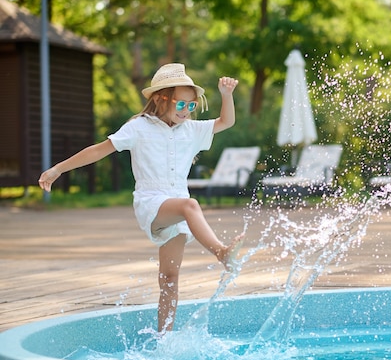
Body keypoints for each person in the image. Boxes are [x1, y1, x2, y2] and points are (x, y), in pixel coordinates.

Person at [38, 63, 244, 333]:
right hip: (153, 202)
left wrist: (226, 94)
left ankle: (164, 339)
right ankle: (221, 253)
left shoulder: (192, 131)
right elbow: (99, 151)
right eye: (180, 105)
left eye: (191, 106)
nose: (186, 112)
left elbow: (226, 122)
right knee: (191, 205)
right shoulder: (139, 127)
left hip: (180, 211)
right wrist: (57, 169)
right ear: (160, 99)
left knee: (169, 278)